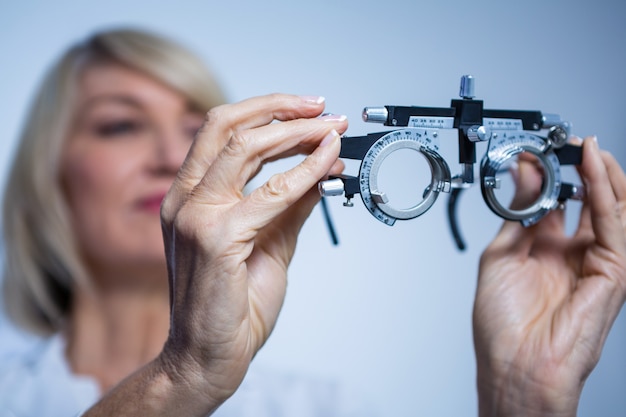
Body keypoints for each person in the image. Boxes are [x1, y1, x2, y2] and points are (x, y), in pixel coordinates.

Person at [0, 27, 624, 417]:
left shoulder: (324, 410)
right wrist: (183, 379)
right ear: (44, 173)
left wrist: (524, 402)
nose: (172, 155)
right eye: (120, 124)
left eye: (196, 130)